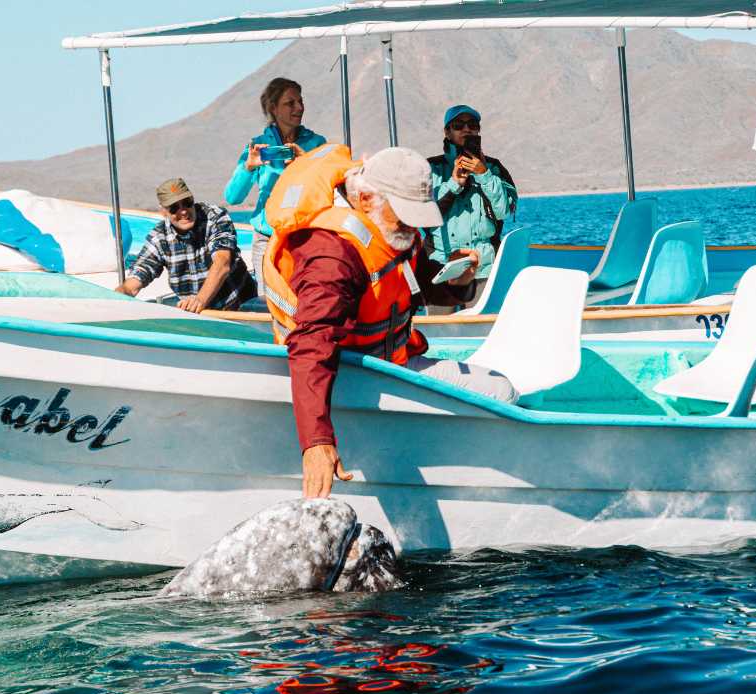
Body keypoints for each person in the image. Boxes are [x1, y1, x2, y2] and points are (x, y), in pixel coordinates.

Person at [262, 144, 519, 498]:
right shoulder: (332, 255)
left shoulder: (392, 228)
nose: (414, 226)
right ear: (367, 199)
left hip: (388, 359)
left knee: (498, 386)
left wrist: (456, 283)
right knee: (502, 391)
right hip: (355, 372)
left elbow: (414, 284)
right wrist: (317, 442)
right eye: (406, 215)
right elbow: (311, 344)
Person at [224, 77, 327, 293]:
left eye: (301, 101)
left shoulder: (317, 144)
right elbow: (233, 197)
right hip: (267, 240)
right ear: (273, 108)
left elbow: (327, 188)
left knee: (305, 301)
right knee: (269, 304)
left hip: (304, 238)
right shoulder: (257, 146)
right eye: (290, 103)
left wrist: (306, 162)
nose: (299, 108)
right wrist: (249, 167)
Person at [117, 178, 255, 313]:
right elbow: (134, 282)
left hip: (243, 308)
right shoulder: (159, 238)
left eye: (187, 203)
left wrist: (199, 301)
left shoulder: (215, 217)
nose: (183, 211)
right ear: (163, 211)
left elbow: (222, 263)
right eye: (174, 208)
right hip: (202, 317)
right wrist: (116, 297)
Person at [426, 104, 518, 303]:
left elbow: (502, 212)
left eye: (473, 125)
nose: (467, 129)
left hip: (483, 268)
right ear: (447, 132)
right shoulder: (431, 168)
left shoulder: (495, 168)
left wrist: (484, 174)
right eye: (459, 125)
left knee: (483, 325)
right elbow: (425, 216)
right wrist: (454, 183)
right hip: (441, 266)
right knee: (442, 328)